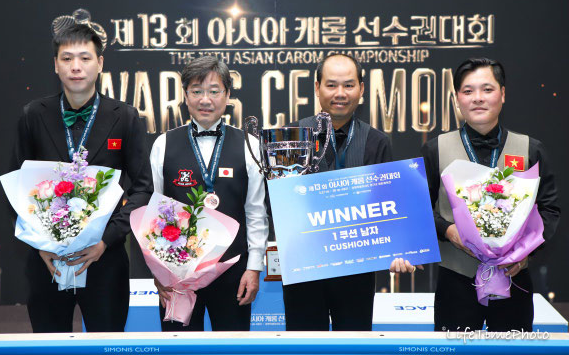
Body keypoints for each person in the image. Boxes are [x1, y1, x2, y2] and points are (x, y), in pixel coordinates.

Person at [9, 23, 154, 332]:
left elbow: (143, 189)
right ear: (55, 64)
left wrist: (106, 240)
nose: (76, 66)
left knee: (107, 345)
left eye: (85, 58)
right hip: (47, 261)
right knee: (50, 345)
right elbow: (15, 186)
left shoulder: (125, 117)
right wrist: (39, 245)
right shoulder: (34, 115)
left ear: (99, 63)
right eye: (67, 58)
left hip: (105, 260)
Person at [421, 57, 560, 332]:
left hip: (514, 279)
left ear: (503, 94)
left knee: (512, 350)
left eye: (487, 89)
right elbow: (420, 209)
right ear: (457, 98)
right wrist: (448, 230)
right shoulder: (435, 149)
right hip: (456, 280)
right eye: (468, 91)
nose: (478, 98)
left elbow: (549, 209)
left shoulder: (530, 149)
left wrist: (525, 254)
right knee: (453, 350)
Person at [150, 56, 268, 331]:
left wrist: (253, 267)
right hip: (177, 274)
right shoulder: (163, 144)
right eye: (197, 91)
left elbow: (255, 212)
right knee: (179, 348)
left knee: (232, 348)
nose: (205, 100)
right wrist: (159, 271)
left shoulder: (250, 145)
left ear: (227, 95)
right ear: (185, 95)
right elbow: (153, 214)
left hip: (233, 271)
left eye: (214, 91)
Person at [284, 53, 393, 331]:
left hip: (357, 268)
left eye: (349, 85)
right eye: (331, 85)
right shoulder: (291, 137)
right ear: (317, 87)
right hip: (304, 267)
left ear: (362, 89)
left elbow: (387, 205)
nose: (340, 93)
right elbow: (277, 203)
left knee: (355, 345)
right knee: (304, 345)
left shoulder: (377, 142)